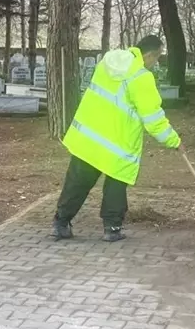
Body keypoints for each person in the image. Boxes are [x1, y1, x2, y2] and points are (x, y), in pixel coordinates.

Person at [53, 35, 181, 242]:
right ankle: (111, 229)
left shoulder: (107, 62)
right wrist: (174, 141)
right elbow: (153, 118)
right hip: (118, 143)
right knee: (115, 186)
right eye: (156, 58)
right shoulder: (141, 77)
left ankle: (61, 223)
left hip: (89, 136)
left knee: (77, 182)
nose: (154, 63)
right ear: (150, 55)